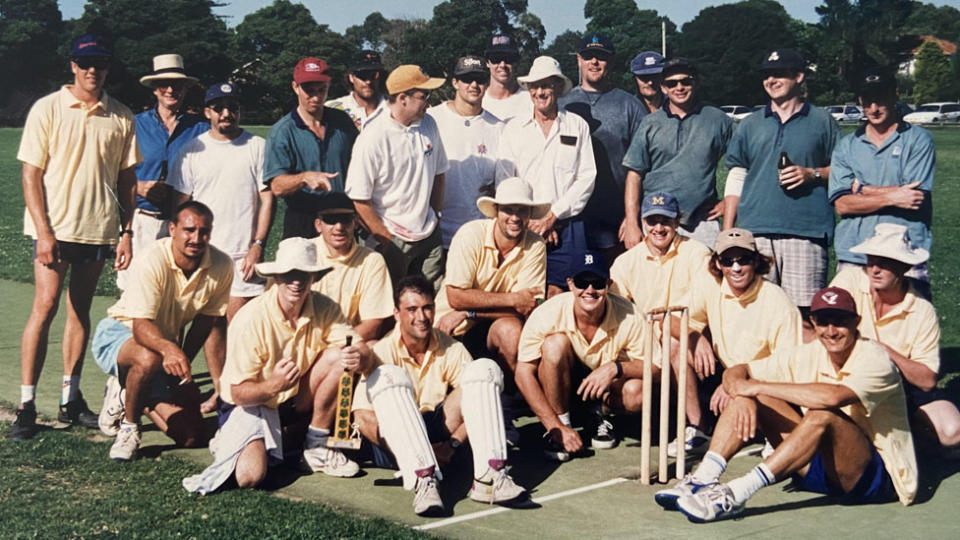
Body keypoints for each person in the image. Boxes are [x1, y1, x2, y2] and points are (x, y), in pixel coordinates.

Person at [661, 287, 917, 522]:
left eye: (840, 321)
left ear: (856, 322)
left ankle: (736, 493)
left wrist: (755, 386)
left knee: (822, 414)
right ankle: (703, 479)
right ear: (813, 323)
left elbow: (833, 398)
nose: (831, 330)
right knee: (752, 397)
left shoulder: (876, 359)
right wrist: (742, 393)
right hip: (822, 468)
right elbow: (739, 370)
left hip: (877, 478)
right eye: (824, 322)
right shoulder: (809, 351)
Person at [10, 35, 140, 440]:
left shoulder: (120, 116)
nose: (92, 70)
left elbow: (126, 179)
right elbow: (30, 174)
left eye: (99, 63)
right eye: (85, 63)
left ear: (107, 67)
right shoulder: (48, 108)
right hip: (54, 230)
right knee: (45, 307)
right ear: (72, 66)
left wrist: (126, 232)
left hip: (97, 228)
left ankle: (70, 399)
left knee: (79, 311)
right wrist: (44, 232)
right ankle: (26, 405)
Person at [182, 238, 374, 493]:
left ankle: (316, 445)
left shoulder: (324, 306)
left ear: (313, 277)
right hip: (250, 403)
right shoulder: (252, 318)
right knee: (250, 476)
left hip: (293, 398)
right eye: (290, 274)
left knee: (340, 357)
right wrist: (273, 385)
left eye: (304, 274)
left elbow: (358, 345)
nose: (297, 281)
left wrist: (360, 356)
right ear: (277, 277)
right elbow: (238, 393)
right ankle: (233, 437)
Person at [352, 275, 527, 516]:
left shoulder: (450, 347)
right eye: (411, 309)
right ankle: (424, 480)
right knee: (389, 375)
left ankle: (490, 478)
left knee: (483, 370)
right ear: (396, 313)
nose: (421, 317)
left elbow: (477, 401)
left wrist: (452, 445)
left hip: (439, 432)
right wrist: (412, 451)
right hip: (396, 442)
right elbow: (361, 418)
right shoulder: (383, 350)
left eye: (427, 308)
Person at [90, 202, 233, 460]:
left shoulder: (222, 265)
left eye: (204, 231)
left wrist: (183, 368)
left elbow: (205, 322)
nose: (196, 238)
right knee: (148, 358)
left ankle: (127, 392)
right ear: (172, 229)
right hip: (119, 334)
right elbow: (141, 326)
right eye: (189, 230)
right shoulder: (152, 259)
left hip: (161, 346)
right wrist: (170, 351)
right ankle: (130, 429)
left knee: (191, 435)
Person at [167, 82, 275, 414]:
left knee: (243, 330)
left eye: (232, 106)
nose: (227, 113)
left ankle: (248, 394)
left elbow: (267, 198)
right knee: (212, 326)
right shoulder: (192, 150)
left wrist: (258, 245)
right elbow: (180, 204)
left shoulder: (257, 145)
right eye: (219, 107)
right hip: (205, 256)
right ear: (208, 112)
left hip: (244, 256)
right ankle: (220, 392)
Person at [723, 49, 841, 322]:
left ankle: (802, 366)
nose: (771, 80)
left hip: (806, 231)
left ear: (798, 76)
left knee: (804, 317)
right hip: (756, 232)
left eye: (779, 74)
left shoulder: (822, 121)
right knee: (758, 315)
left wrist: (813, 174)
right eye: (766, 75)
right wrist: (729, 230)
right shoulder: (751, 123)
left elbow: (846, 171)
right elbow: (737, 173)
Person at [831, 224, 960, 451]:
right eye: (871, 260)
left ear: (903, 268)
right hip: (850, 378)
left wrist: (883, 350)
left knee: (952, 431)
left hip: (901, 387)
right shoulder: (849, 281)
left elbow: (927, 379)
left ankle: (907, 437)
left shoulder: (922, 309)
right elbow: (824, 331)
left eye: (885, 262)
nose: (875, 269)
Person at [675, 228, 801, 456]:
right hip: (729, 374)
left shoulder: (777, 301)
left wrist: (735, 384)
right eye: (727, 260)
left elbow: (787, 368)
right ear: (718, 264)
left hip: (766, 383)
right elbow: (673, 320)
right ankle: (698, 429)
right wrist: (695, 336)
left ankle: (772, 431)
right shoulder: (710, 284)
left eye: (743, 259)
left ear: (756, 260)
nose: (735, 268)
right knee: (678, 347)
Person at [515, 250, 651, 461]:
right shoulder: (547, 313)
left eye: (597, 282)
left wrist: (615, 368)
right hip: (560, 385)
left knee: (638, 392)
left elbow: (657, 366)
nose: (589, 290)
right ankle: (563, 424)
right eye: (582, 282)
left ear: (608, 284)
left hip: (605, 389)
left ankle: (599, 414)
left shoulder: (630, 314)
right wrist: (554, 425)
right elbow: (523, 373)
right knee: (554, 345)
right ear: (570, 284)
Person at [609, 192, 712, 452]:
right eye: (652, 221)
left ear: (677, 222)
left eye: (665, 221)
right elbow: (615, 312)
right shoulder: (625, 262)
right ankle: (601, 413)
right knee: (633, 394)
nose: (658, 228)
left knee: (674, 342)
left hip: (687, 337)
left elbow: (702, 306)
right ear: (642, 222)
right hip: (644, 347)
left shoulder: (697, 253)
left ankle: (696, 428)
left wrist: (694, 337)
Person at [829, 68, 935, 300]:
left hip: (905, 256)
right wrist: (893, 196)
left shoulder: (919, 140)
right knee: (849, 332)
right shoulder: (847, 146)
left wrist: (861, 189)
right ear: (860, 101)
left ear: (895, 95)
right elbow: (843, 205)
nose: (874, 108)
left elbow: (913, 197)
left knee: (908, 332)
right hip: (855, 256)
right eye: (867, 101)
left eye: (881, 99)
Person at [499, 56, 596, 297]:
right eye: (535, 86)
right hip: (522, 226)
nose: (540, 92)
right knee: (527, 295)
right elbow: (505, 179)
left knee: (564, 295)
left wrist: (552, 217)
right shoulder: (513, 129)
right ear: (529, 90)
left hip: (567, 228)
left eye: (546, 85)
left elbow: (586, 177)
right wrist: (533, 220)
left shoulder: (577, 126)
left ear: (557, 87)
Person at [345, 64, 448, 288]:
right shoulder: (373, 137)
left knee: (429, 300)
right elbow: (359, 199)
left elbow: (440, 174)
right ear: (403, 98)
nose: (429, 101)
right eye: (424, 95)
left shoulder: (429, 124)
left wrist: (436, 215)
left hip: (428, 234)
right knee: (392, 305)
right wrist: (386, 239)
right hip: (392, 237)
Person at [622, 57, 733, 251]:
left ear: (695, 83)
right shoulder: (650, 123)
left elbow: (744, 163)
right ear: (663, 88)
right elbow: (634, 175)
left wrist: (728, 202)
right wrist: (632, 222)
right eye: (672, 83)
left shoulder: (717, 120)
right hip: (656, 220)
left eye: (685, 81)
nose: (679, 87)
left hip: (701, 220)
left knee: (706, 278)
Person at [119, 53, 207, 291]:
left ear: (186, 89)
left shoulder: (201, 129)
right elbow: (110, 174)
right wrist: (140, 187)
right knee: (135, 294)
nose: (171, 89)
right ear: (155, 89)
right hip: (142, 222)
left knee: (177, 295)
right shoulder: (134, 124)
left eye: (177, 84)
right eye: (164, 84)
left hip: (184, 227)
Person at [559, 34, 646, 260]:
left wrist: (632, 217)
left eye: (601, 57)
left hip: (616, 217)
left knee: (616, 286)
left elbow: (643, 167)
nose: (594, 62)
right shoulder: (562, 104)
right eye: (588, 56)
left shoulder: (630, 106)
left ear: (612, 61)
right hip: (572, 216)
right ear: (579, 59)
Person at [264, 57, 358, 239]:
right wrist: (304, 178)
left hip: (341, 216)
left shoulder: (343, 122)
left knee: (346, 268)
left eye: (321, 89)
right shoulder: (282, 131)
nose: (315, 97)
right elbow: (276, 186)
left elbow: (362, 163)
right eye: (308, 90)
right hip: (303, 219)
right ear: (295, 87)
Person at [428, 55, 508, 249]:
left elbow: (504, 178)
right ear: (455, 82)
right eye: (467, 79)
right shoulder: (432, 119)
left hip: (480, 234)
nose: (474, 85)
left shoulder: (499, 127)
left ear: (487, 84)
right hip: (435, 233)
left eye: (480, 80)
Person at [311, 192, 394, 341]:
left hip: (345, 346)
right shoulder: (304, 252)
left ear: (355, 223)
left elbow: (372, 326)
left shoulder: (372, 261)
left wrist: (333, 349)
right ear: (318, 225)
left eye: (345, 220)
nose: (339, 227)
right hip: (305, 343)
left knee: (371, 347)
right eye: (330, 220)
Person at [325, 50, 387, 131]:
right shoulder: (332, 109)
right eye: (362, 75)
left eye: (374, 75)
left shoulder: (394, 108)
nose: (368, 81)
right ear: (351, 77)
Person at [482, 34, 532, 122]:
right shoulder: (478, 102)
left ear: (516, 61)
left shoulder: (531, 100)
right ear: (487, 62)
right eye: (496, 59)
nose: (502, 65)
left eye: (508, 58)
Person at [630, 51, 665, 115]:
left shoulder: (676, 105)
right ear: (634, 79)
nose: (650, 82)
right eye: (644, 77)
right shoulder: (629, 108)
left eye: (655, 76)